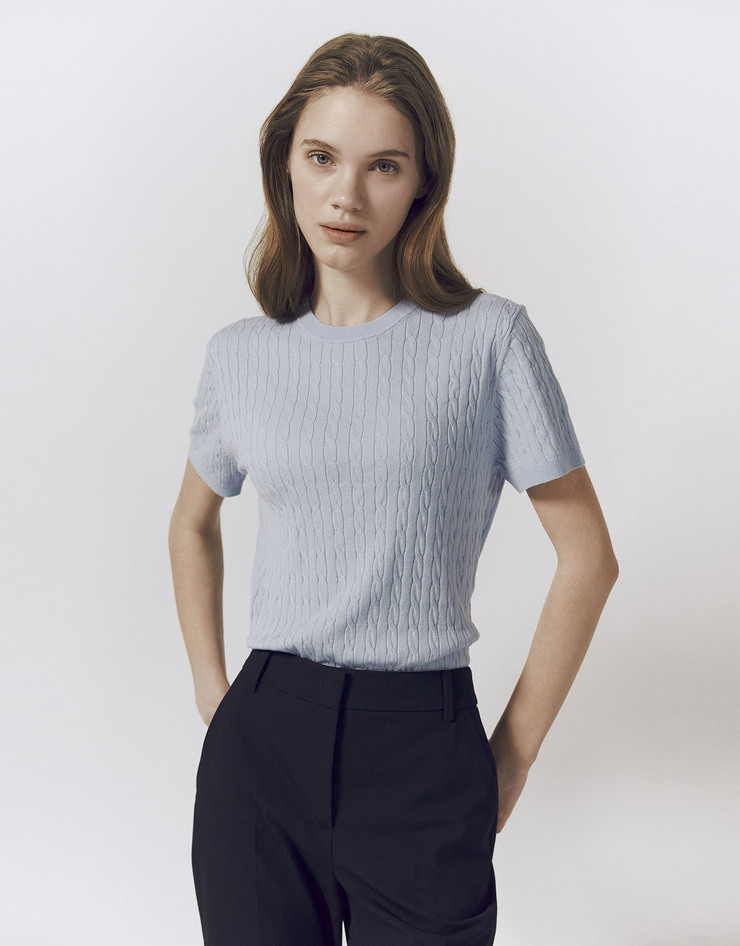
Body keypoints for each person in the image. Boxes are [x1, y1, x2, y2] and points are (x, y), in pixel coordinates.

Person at [168, 32, 619, 946]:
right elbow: (191, 526)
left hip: (423, 750)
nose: (347, 194)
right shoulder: (240, 356)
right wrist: (220, 702)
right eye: (322, 157)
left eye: (384, 165)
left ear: (422, 183)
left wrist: (511, 758)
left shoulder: (489, 340)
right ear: (285, 164)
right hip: (262, 748)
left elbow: (588, 559)